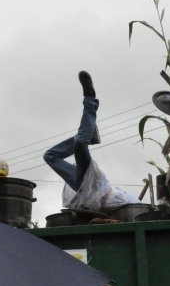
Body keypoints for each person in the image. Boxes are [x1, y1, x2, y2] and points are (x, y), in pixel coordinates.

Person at [43, 71, 140, 215]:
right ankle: (90, 100)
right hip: (93, 184)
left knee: (49, 156)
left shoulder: (121, 204)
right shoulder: (128, 203)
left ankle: (89, 136)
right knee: (80, 143)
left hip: (79, 189)